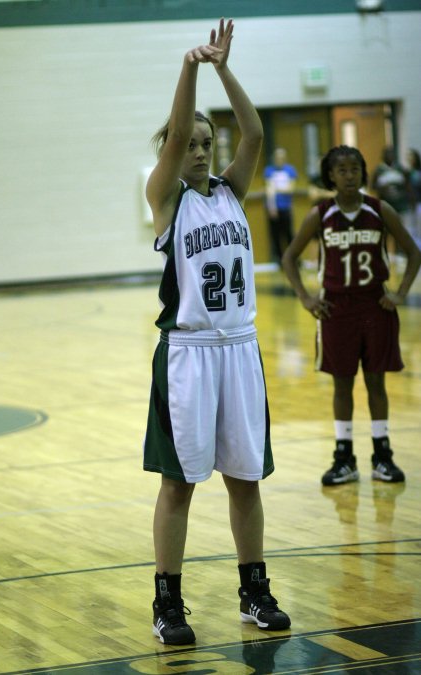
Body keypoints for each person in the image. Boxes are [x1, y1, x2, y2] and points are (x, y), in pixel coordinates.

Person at [143, 18, 290, 645]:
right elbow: (176, 130)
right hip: (188, 354)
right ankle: (167, 601)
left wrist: (224, 67)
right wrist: (189, 67)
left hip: (240, 351)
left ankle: (253, 589)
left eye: (208, 141)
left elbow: (254, 132)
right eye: (192, 142)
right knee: (179, 483)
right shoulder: (166, 198)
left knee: (245, 478)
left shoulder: (232, 190)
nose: (200, 148)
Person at [281, 145, 421, 487]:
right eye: (341, 170)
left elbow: (414, 252)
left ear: (363, 173)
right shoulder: (321, 213)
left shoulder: (379, 209)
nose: (348, 175)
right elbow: (289, 259)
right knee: (342, 384)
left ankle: (382, 455)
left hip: (375, 305)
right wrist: (306, 297)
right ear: (330, 175)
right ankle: (344, 457)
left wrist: (400, 293)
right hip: (336, 309)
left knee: (377, 382)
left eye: (355, 169)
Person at [264, 148, 297, 265]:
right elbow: (269, 190)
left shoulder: (290, 170)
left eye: (281, 158)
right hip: (274, 208)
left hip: (286, 207)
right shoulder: (269, 170)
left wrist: (276, 189)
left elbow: (291, 189)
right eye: (277, 158)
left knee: (289, 234)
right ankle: (280, 260)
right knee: (275, 235)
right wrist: (272, 207)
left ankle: (293, 258)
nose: (279, 160)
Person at [406, 148, 421, 246]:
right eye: (408, 157)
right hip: (410, 204)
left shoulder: (418, 173)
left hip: (419, 202)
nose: (410, 159)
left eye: (412, 157)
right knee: (412, 229)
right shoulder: (407, 173)